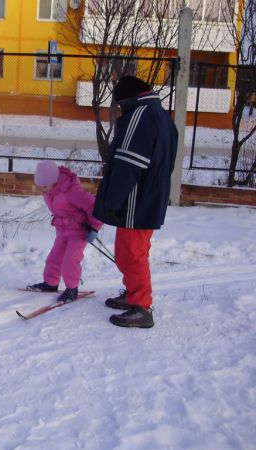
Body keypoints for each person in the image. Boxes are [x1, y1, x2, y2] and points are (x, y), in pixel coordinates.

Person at [93, 75, 178, 328]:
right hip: (149, 197)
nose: (119, 108)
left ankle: (141, 306)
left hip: (135, 200)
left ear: (127, 98)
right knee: (128, 252)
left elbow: (128, 164)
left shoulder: (140, 115)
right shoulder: (161, 116)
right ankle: (133, 294)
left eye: (120, 104)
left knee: (132, 254)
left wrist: (113, 199)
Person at [28, 161, 103, 302]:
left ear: (54, 181)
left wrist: (94, 227)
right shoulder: (49, 191)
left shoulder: (72, 191)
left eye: (44, 186)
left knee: (70, 261)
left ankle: (72, 289)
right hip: (62, 230)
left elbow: (93, 206)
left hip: (79, 231)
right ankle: (50, 283)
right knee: (54, 258)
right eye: (40, 187)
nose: (42, 190)